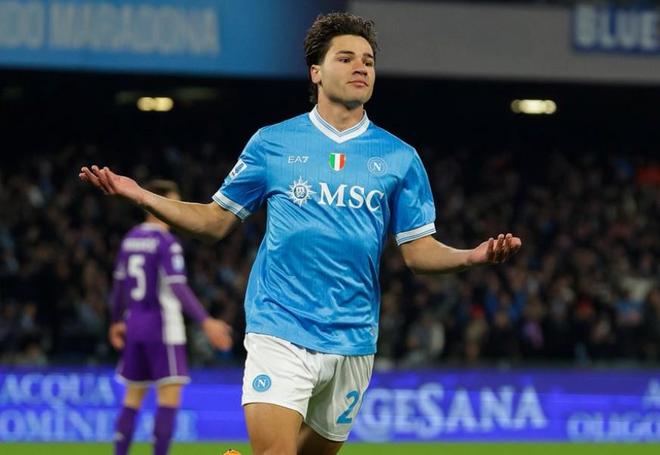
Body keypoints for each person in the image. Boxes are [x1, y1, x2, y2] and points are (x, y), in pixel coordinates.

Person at [80, 12, 522, 455]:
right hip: (279, 327)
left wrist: (471, 256)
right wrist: (143, 196)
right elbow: (214, 222)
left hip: (354, 339)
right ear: (316, 72)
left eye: (368, 61)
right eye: (346, 58)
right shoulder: (273, 143)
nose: (361, 67)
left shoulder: (399, 157)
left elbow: (418, 252)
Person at [108, 179, 233, 455]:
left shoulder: (130, 239)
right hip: (164, 328)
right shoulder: (166, 242)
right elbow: (177, 285)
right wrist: (206, 321)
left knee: (132, 398)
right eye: (173, 202)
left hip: (134, 325)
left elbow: (119, 285)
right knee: (169, 397)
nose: (177, 209)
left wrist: (116, 320)